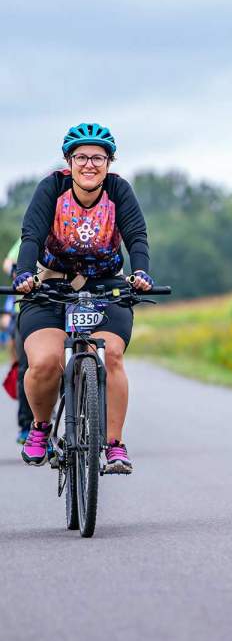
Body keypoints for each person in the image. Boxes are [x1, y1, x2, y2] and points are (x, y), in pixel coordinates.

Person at [13, 123, 153, 472]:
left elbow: (137, 236)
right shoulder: (53, 188)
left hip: (106, 285)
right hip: (51, 285)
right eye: (81, 157)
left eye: (98, 158)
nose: (89, 164)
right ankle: (41, 427)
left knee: (112, 357)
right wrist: (24, 275)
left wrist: (142, 272)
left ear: (109, 162)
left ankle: (114, 445)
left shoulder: (119, 191)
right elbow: (31, 234)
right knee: (44, 362)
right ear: (68, 161)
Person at [3, 237, 34, 443]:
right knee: (25, 368)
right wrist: (16, 271)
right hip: (23, 310)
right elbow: (7, 262)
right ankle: (26, 425)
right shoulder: (28, 238)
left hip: (60, 306)